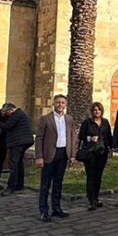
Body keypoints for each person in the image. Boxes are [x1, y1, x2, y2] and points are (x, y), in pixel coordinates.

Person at [35, 94, 78, 222]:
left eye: (63, 103)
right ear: (54, 104)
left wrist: (72, 155)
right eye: (58, 102)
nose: (60, 105)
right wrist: (39, 156)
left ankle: (56, 208)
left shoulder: (69, 119)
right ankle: (44, 211)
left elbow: (73, 138)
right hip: (49, 155)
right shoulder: (46, 119)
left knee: (58, 183)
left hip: (62, 154)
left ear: (65, 105)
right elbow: (39, 138)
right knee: (45, 184)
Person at [0, 102, 33, 196]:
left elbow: (8, 126)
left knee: (13, 164)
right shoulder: (20, 114)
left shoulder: (16, 115)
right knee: (19, 163)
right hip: (24, 141)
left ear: (11, 110)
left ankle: (11, 187)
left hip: (18, 142)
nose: (6, 114)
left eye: (6, 112)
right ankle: (20, 184)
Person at [79, 102, 113, 210]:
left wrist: (111, 148)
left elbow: (108, 136)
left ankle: (96, 198)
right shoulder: (87, 123)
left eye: (99, 109)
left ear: (101, 111)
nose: (97, 111)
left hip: (102, 153)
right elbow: (81, 136)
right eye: (95, 110)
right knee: (91, 176)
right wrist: (89, 138)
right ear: (92, 111)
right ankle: (91, 200)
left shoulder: (105, 122)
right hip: (90, 153)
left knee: (98, 176)